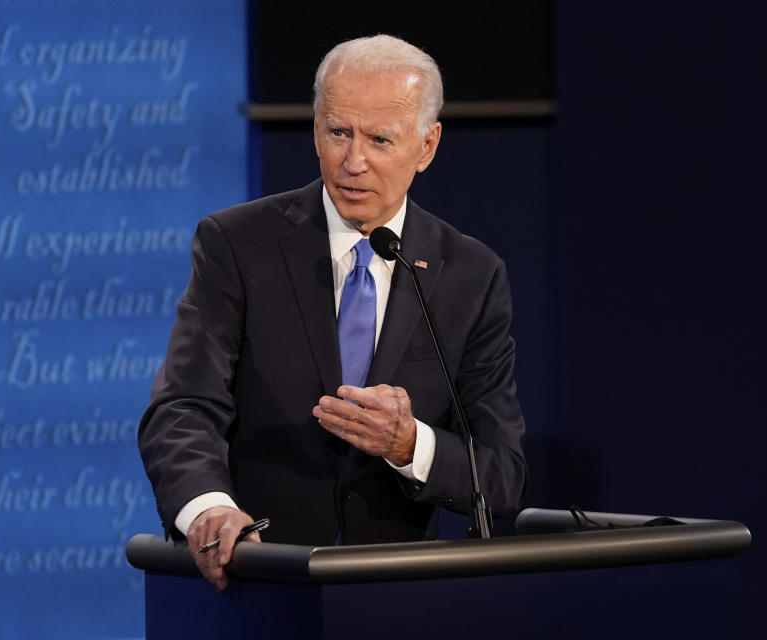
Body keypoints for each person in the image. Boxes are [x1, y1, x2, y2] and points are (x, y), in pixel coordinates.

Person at [138, 34, 526, 590]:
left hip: (393, 599)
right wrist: (208, 509)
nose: (353, 162)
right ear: (315, 128)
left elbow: (504, 476)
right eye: (337, 132)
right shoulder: (238, 243)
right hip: (259, 580)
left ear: (427, 146)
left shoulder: (471, 275)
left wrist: (410, 444)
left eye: (380, 139)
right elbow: (182, 407)